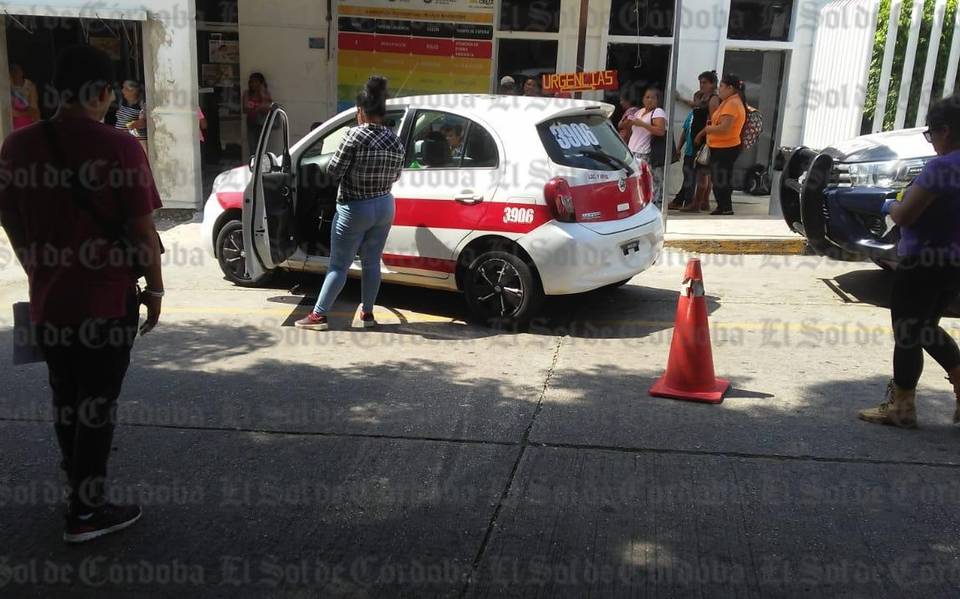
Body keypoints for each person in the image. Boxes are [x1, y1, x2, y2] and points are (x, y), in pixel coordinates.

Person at [0, 45, 164, 543]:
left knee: (65, 399)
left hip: (49, 303)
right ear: (99, 92)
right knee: (96, 407)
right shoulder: (120, 147)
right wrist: (154, 289)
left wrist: (36, 265)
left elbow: (9, 218)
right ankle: (87, 513)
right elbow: (141, 230)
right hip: (105, 304)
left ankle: (78, 489)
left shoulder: (16, 147)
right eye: (110, 93)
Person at [858, 96, 960, 429]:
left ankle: (901, 407)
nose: (932, 143)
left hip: (921, 262)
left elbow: (906, 214)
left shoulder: (941, 168)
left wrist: (888, 205)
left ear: (946, 130)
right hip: (953, 263)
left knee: (907, 333)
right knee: (927, 327)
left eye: (932, 135)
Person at [295, 75, 404, 331]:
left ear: (361, 111)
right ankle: (367, 314)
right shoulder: (395, 139)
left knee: (338, 265)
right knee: (371, 262)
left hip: (355, 207)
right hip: (385, 205)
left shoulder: (354, 135)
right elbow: (397, 175)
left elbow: (333, 170)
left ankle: (319, 316)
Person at [696, 73, 746, 216]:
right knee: (719, 178)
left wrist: (708, 129)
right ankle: (723, 206)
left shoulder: (732, 104)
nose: (720, 89)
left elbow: (725, 128)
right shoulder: (728, 101)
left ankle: (725, 207)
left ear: (730, 88)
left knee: (720, 179)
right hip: (721, 147)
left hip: (726, 147)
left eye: (722, 86)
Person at [681, 71, 721, 213]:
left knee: (702, 174)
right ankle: (703, 202)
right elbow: (695, 105)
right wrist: (681, 99)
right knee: (704, 173)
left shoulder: (713, 99)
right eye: (700, 82)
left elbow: (713, 121)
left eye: (705, 82)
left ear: (712, 84)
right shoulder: (703, 97)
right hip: (699, 139)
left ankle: (696, 204)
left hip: (705, 140)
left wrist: (701, 135)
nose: (702, 85)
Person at [627, 87, 667, 209]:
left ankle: (654, 205)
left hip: (645, 152)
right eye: (647, 97)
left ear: (657, 100)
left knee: (651, 180)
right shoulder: (640, 112)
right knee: (636, 181)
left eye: (652, 98)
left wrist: (642, 124)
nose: (649, 100)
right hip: (633, 150)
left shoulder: (658, 112)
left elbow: (660, 131)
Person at [243, 72, 272, 156]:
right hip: (251, 122)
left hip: (263, 123)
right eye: (251, 82)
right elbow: (245, 109)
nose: (253, 84)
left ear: (261, 83)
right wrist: (259, 108)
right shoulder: (247, 93)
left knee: (263, 147)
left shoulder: (266, 94)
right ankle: (254, 165)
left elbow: (267, 108)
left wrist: (262, 92)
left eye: (256, 82)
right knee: (252, 147)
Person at [115, 80, 148, 154]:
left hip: (136, 146)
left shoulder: (142, 106)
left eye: (125, 89)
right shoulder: (123, 103)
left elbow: (144, 123)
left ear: (134, 91)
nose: (122, 91)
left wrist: (130, 126)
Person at [10, 63, 40, 130]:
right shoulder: (8, 88)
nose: (15, 74)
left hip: (28, 123)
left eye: (17, 71)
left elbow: (34, 109)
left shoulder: (30, 86)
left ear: (22, 72)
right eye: (12, 72)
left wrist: (20, 113)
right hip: (15, 125)